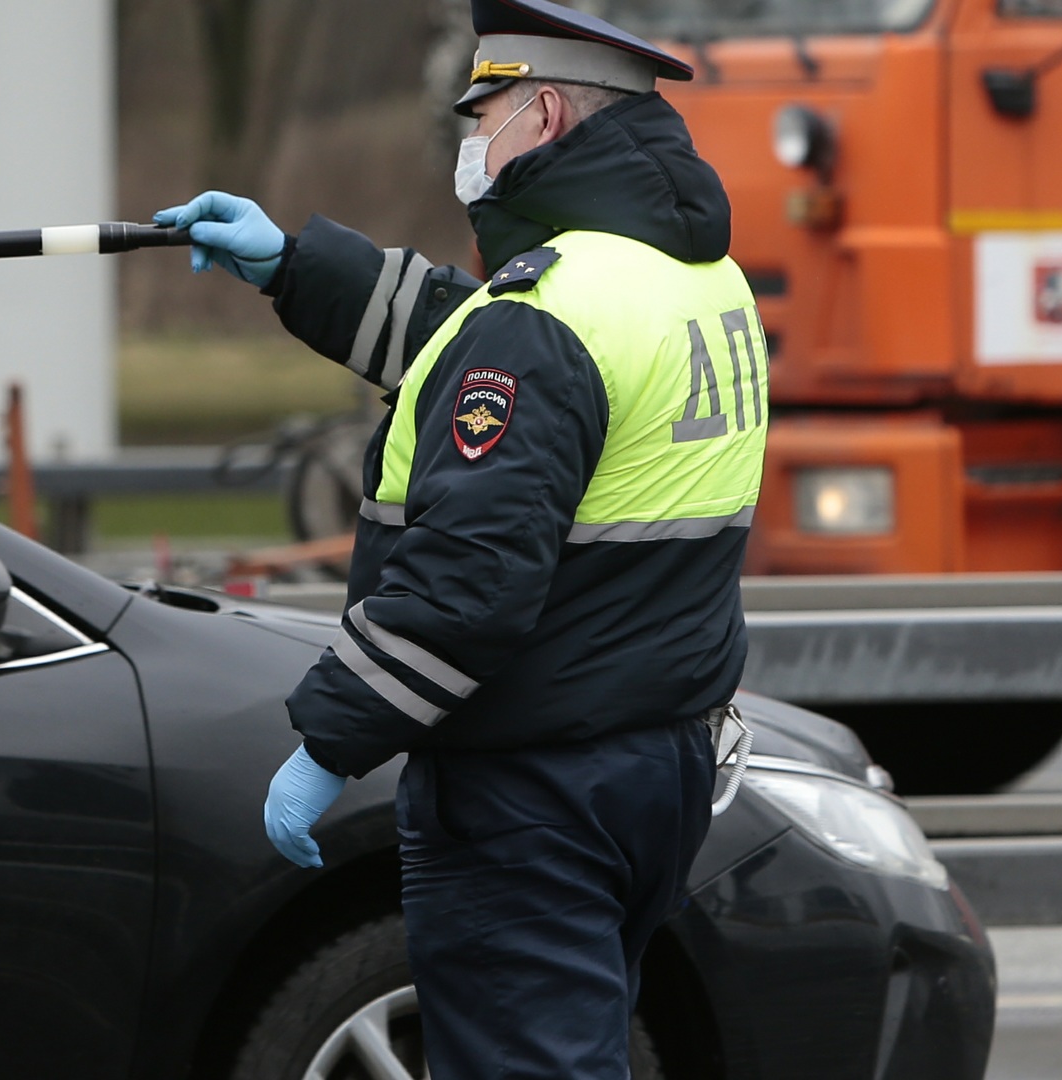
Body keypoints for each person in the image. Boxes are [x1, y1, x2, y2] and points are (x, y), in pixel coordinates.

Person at [153, 0, 768, 1076]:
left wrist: (329, 741)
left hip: (536, 789)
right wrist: (291, 265)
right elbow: (466, 343)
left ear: (543, 114)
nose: (467, 141)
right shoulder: (690, 277)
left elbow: (468, 580)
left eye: (481, 114)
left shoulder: (547, 314)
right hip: (653, 762)